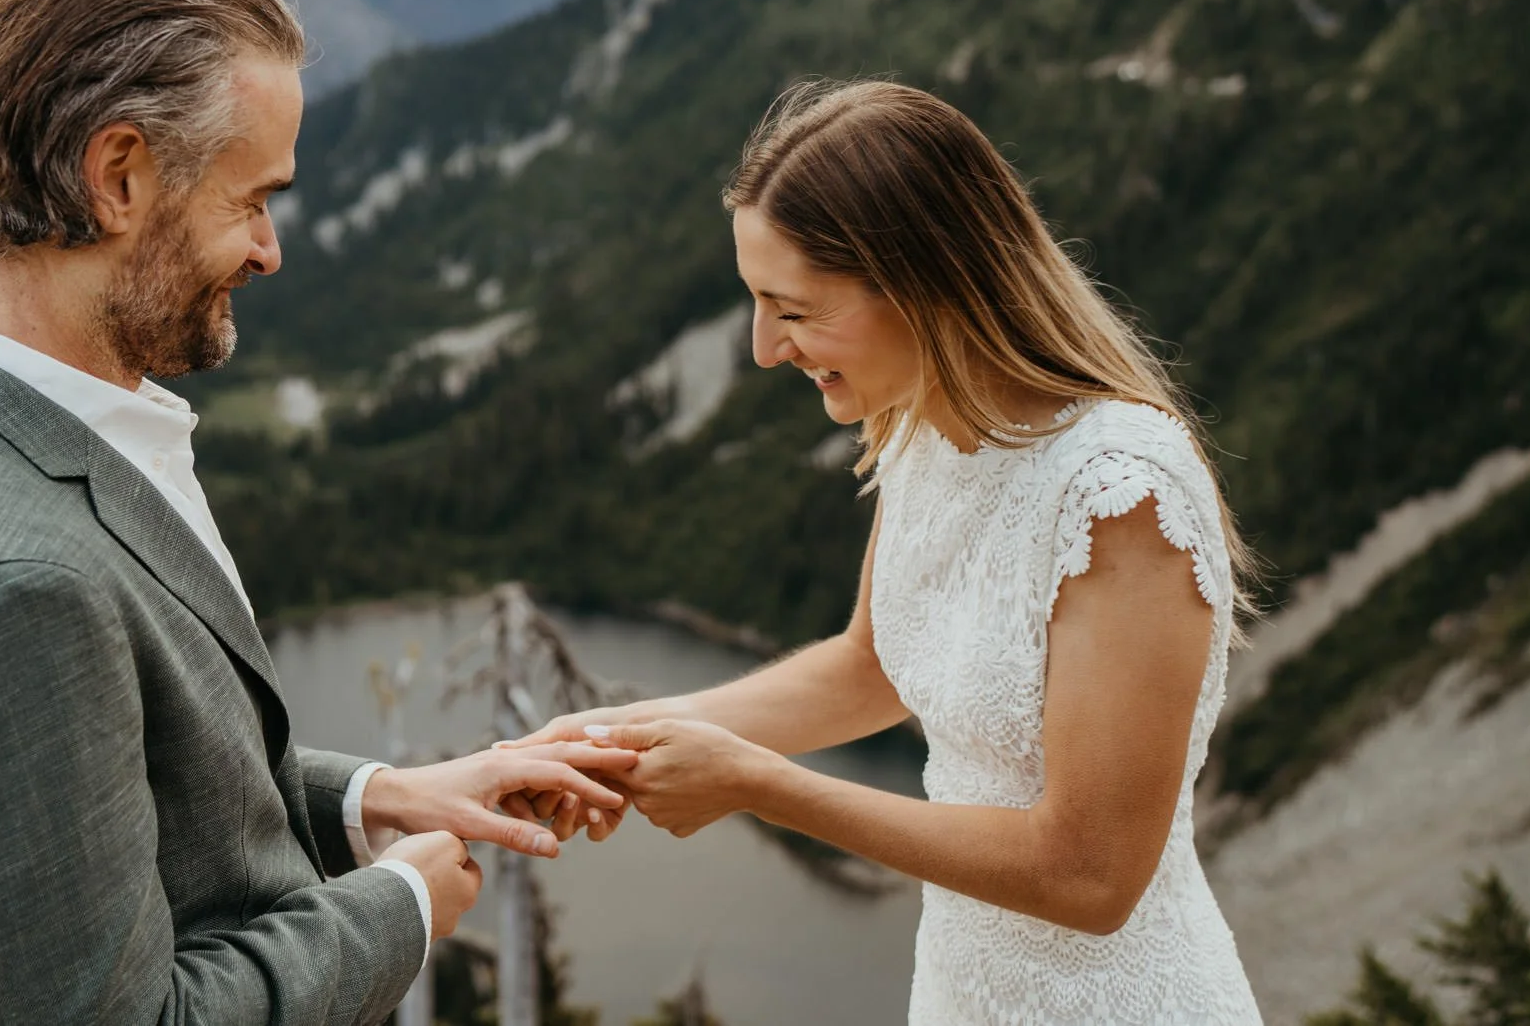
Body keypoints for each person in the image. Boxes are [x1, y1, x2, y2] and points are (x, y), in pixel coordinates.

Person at [0, 0, 634, 1026]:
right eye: (251, 199)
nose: (269, 249)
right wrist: (399, 905)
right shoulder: (12, 589)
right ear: (119, 177)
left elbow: (139, 784)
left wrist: (377, 799)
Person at [508, 80, 1264, 1023]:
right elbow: (871, 667)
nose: (763, 349)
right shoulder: (926, 428)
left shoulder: (1121, 492)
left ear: (924, 282)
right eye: (756, 302)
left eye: (795, 308)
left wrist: (757, 785)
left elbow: (1091, 878)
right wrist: (605, 739)